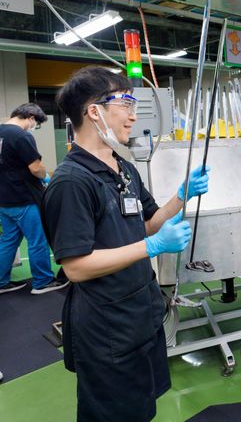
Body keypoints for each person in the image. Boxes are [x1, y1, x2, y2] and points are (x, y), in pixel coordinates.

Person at [41, 66, 210, 421]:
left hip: (140, 313)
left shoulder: (124, 168)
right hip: (107, 326)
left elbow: (146, 224)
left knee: (141, 408)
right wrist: (152, 248)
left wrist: (181, 196)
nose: (133, 115)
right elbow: (76, 267)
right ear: (94, 111)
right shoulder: (71, 182)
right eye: (125, 103)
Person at [0, 103, 67, 295]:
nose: (34, 127)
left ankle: (1, 281)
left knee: (9, 240)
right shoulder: (21, 135)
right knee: (37, 240)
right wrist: (47, 176)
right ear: (30, 117)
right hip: (25, 198)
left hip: (4, 199)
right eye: (36, 124)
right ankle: (43, 282)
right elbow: (36, 168)